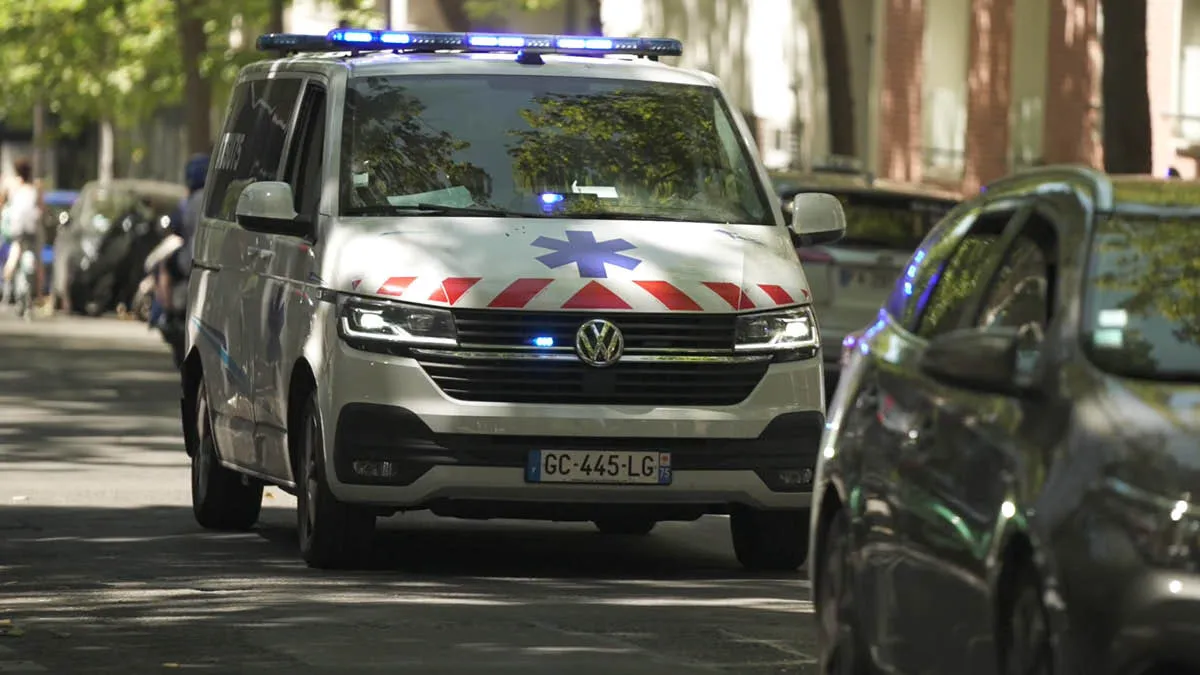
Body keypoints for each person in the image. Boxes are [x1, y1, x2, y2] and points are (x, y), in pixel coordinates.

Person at [155, 153, 208, 368]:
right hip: (207, 261)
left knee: (165, 267)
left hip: (190, 262)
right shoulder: (218, 198)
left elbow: (174, 229)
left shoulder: (188, 203)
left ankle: (166, 311)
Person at [1, 159, 41, 308]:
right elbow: (41, 208)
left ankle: (8, 280)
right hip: (31, 228)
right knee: (31, 256)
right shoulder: (35, 187)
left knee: (15, 253)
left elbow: (2, 200)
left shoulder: (13, 185)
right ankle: (35, 295)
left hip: (16, 228)